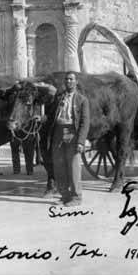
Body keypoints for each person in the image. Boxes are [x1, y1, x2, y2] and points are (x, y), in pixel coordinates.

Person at [48, 72, 90, 207]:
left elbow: (85, 122)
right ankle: (65, 195)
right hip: (58, 132)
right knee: (59, 165)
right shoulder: (59, 98)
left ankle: (77, 197)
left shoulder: (82, 100)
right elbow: (51, 115)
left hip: (72, 132)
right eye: (66, 79)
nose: (69, 81)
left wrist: (81, 141)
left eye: (71, 79)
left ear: (76, 82)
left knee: (73, 166)